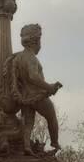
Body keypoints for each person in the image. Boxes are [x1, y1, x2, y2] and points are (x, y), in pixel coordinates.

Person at [11, 23, 62, 155]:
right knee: (51, 116)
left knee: (28, 123)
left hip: (25, 97)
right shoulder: (31, 58)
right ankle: (55, 142)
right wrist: (49, 87)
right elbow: (33, 77)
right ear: (36, 41)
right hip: (37, 96)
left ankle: (26, 146)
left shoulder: (18, 58)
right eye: (40, 40)